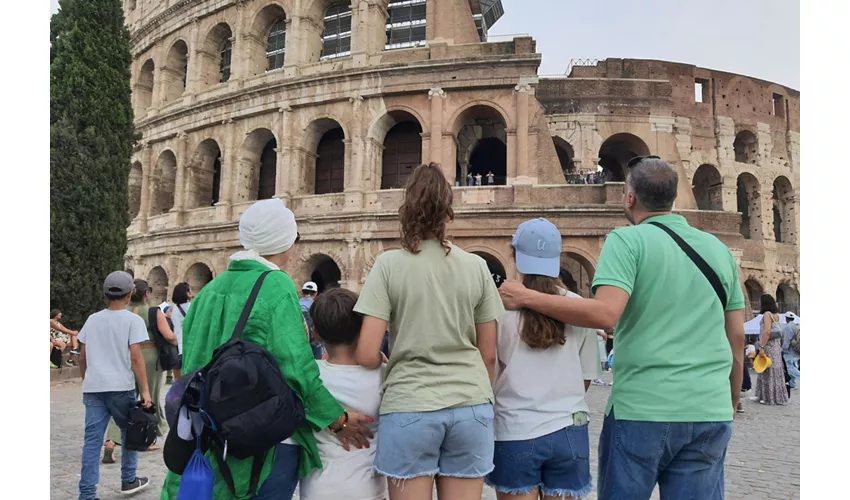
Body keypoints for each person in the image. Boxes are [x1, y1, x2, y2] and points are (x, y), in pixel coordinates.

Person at [498, 156, 745, 500]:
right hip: (709, 407)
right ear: (672, 197)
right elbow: (735, 336)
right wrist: (732, 397)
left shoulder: (628, 241)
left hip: (643, 407)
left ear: (629, 198)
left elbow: (605, 314)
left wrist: (526, 296)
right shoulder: (718, 250)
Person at [161, 198, 374, 500]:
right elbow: (297, 368)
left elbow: (193, 358)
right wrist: (337, 420)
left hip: (209, 428)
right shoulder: (276, 285)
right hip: (261, 437)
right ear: (284, 241)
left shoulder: (211, 290)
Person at [354, 163, 504, 500]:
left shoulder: (388, 265)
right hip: (471, 404)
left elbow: (365, 353)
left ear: (407, 209)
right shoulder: (477, 267)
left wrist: (382, 358)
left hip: (410, 403)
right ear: (448, 212)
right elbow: (489, 354)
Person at [486, 218, 597, 500]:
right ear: (557, 258)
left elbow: (489, 365)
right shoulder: (579, 309)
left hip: (515, 427)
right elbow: (586, 376)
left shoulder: (499, 309)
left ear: (514, 256)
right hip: (569, 428)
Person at [299, 288, 388, 500]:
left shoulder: (309, 376)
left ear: (316, 333)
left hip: (317, 489)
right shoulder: (384, 376)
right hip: (368, 489)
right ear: (362, 330)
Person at [77, 271, 152, 500]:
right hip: (121, 386)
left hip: (94, 388)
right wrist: (146, 391)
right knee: (130, 433)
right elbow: (136, 358)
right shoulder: (133, 320)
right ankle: (128, 479)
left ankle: (87, 494)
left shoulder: (92, 319)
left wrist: (86, 379)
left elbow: (82, 356)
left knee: (92, 442)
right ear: (130, 295)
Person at [102, 279, 178, 461]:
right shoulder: (153, 312)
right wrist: (175, 340)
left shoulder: (123, 312)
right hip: (149, 355)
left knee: (123, 400)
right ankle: (148, 437)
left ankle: (111, 440)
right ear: (147, 294)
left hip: (126, 356)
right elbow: (169, 337)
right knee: (148, 398)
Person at [753, 295, 789, 405]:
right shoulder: (776, 315)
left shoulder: (767, 315)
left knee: (765, 368)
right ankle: (775, 396)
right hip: (776, 346)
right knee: (775, 370)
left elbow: (767, 332)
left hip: (768, 346)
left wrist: (761, 346)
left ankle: (767, 397)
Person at [168, 282, 194, 380]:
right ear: (186, 293)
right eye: (190, 289)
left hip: (177, 348)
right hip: (189, 348)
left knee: (178, 383)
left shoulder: (174, 309)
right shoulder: (192, 307)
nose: (192, 291)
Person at [301, 281, 323, 359]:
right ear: (315, 293)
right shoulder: (317, 305)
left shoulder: (295, 304)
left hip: (299, 340)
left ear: (302, 292)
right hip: (314, 342)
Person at [781, 313, 800, 388]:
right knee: (794, 366)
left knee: (789, 367)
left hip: (790, 351)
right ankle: (792, 384)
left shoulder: (788, 327)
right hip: (797, 351)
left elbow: (787, 340)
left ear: (786, 318)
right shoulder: (796, 326)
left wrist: (783, 349)